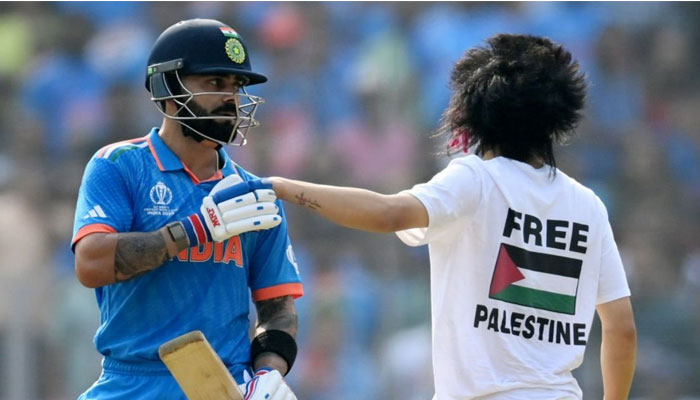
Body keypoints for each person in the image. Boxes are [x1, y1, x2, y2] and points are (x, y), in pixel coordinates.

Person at [266, 34, 637, 399]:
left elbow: (389, 214)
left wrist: (282, 188)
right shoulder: (588, 205)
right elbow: (621, 329)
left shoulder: (475, 179)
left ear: (476, 114)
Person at [72, 19, 302, 400]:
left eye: (236, 86)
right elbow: (90, 264)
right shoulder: (118, 165)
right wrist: (197, 228)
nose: (231, 98)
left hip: (222, 386)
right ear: (167, 90)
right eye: (215, 83)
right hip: (132, 382)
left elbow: (278, 309)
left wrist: (269, 374)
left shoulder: (256, 196)